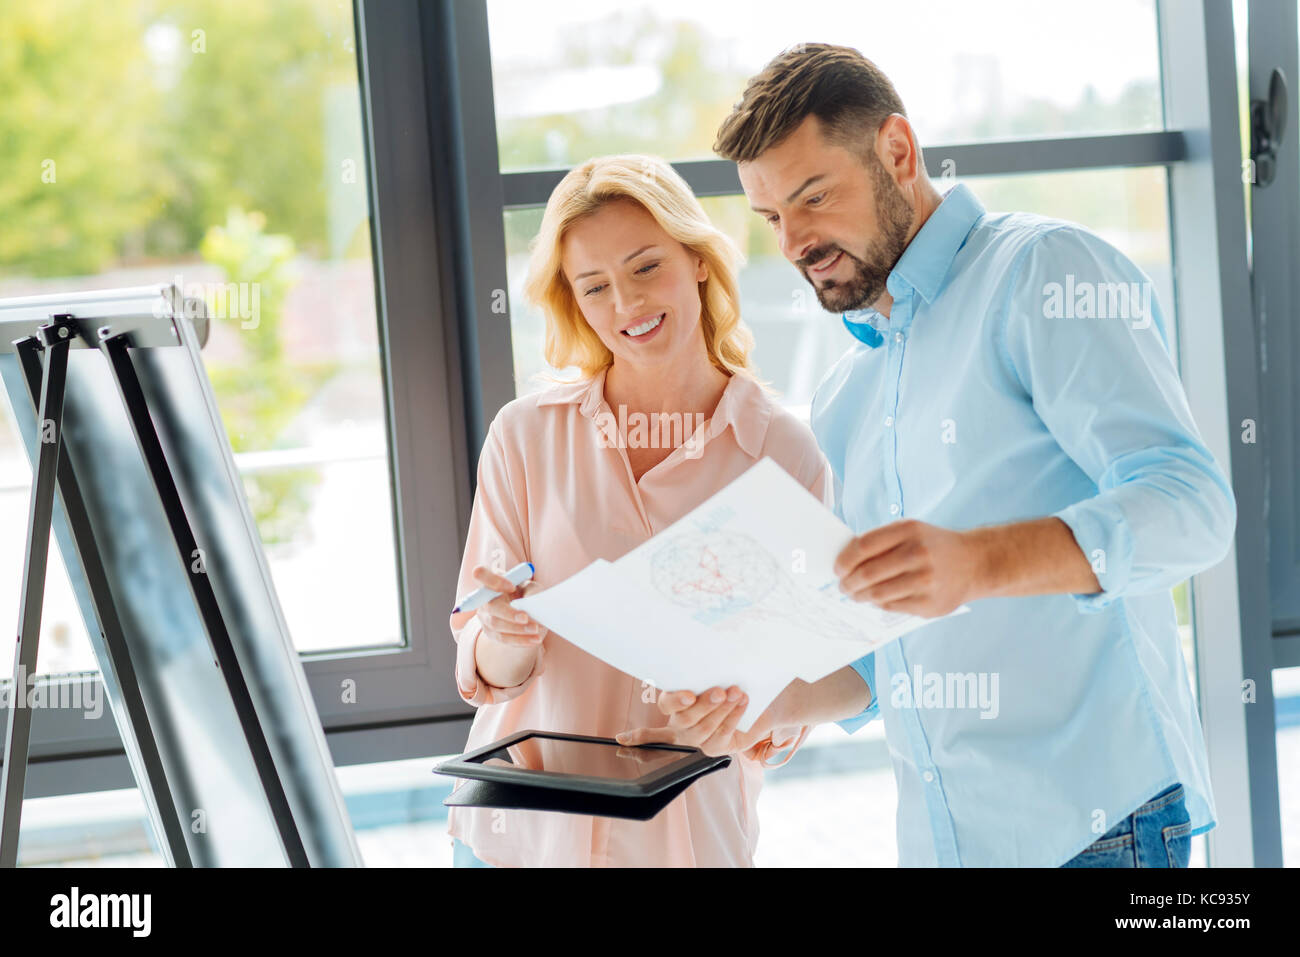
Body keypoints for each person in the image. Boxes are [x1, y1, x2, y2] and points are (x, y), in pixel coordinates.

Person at [625, 43, 1236, 868]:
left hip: (1098, 828)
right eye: (772, 218)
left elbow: (1191, 508)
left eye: (813, 197)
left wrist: (975, 563)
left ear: (898, 152)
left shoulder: (1042, 273)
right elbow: (878, 659)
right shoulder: (848, 390)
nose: (795, 242)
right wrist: (758, 703)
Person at [445, 153, 844, 867]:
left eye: (644, 267)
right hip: (519, 840)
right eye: (594, 286)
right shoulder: (525, 435)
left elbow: (792, 703)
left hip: (682, 844)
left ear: (695, 259)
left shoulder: (782, 453)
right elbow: (485, 668)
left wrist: (743, 712)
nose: (625, 304)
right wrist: (506, 632)